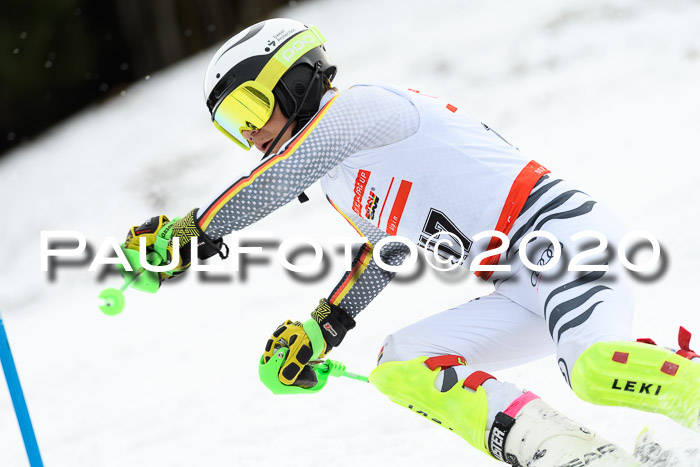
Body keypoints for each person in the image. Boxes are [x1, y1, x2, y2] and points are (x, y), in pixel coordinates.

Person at [122, 18, 700, 466]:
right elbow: (385, 251)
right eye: (231, 123)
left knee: (595, 372)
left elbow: (276, 180)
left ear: (292, 80)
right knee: (399, 364)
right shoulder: (339, 177)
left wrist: (189, 235)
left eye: (247, 107)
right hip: (515, 285)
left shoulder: (360, 108)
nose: (246, 132)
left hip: (562, 239)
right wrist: (323, 326)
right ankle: (573, 455)